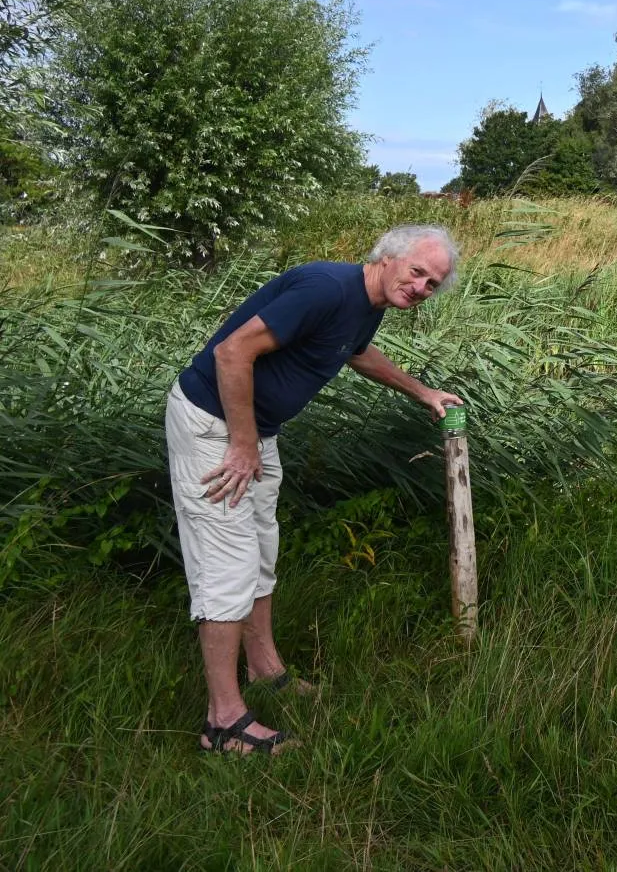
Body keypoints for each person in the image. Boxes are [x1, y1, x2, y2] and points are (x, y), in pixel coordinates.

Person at [166, 224, 465, 755]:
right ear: (388, 256)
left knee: (260, 553)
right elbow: (232, 352)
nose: (421, 287)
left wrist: (422, 393)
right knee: (226, 566)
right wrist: (240, 443)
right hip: (217, 428)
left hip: (253, 432)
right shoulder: (327, 287)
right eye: (417, 272)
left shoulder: (366, 303)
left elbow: (356, 352)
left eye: (432, 284)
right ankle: (223, 723)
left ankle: (264, 669)